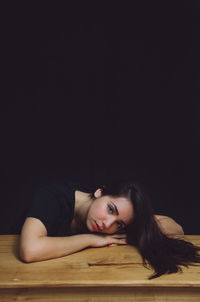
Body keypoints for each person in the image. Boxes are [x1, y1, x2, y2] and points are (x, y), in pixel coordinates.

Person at [19, 180, 200, 279]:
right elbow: (30, 250)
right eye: (110, 209)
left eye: (119, 224)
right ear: (100, 192)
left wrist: (139, 225)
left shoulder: (110, 222)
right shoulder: (53, 196)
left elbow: (176, 229)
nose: (108, 224)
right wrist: (91, 239)